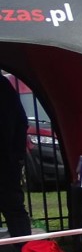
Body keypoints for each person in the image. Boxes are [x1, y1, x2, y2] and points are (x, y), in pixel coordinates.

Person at [0, 76, 32, 239]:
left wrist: (16, 155)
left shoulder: (3, 86)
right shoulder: (4, 85)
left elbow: (20, 122)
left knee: (13, 207)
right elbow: (21, 121)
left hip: (6, 160)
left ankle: (25, 248)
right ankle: (24, 247)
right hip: (8, 159)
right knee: (14, 208)